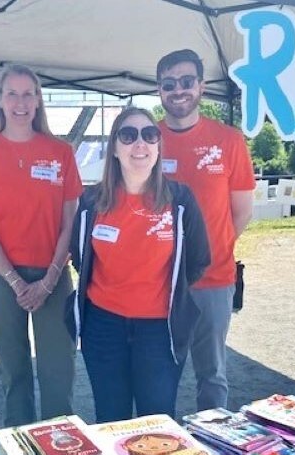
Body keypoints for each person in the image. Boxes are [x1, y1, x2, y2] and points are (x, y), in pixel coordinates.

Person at [0, 64, 82, 426]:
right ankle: (22, 452)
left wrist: (50, 278)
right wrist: (16, 283)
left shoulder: (60, 152)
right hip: (0, 277)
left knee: (59, 371)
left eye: (28, 94)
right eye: (12, 93)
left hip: (53, 275)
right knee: (15, 373)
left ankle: (61, 450)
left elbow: (69, 223)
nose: (20, 102)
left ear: (39, 100)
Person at [68, 107, 210, 423]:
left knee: (157, 422)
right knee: (111, 419)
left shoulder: (180, 199)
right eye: (128, 135)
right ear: (115, 150)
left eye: (149, 135)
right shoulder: (91, 202)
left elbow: (198, 260)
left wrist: (162, 294)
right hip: (103, 328)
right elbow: (80, 257)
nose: (139, 144)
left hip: (160, 331)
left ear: (158, 147)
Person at [156, 49, 256, 411]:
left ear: (201, 85)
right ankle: (160, 447)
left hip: (214, 279)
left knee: (212, 375)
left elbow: (241, 212)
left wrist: (206, 253)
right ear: (159, 91)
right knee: (160, 372)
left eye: (186, 81)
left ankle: (213, 446)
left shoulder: (228, 140)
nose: (178, 90)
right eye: (169, 84)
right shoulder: (146, 139)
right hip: (157, 282)